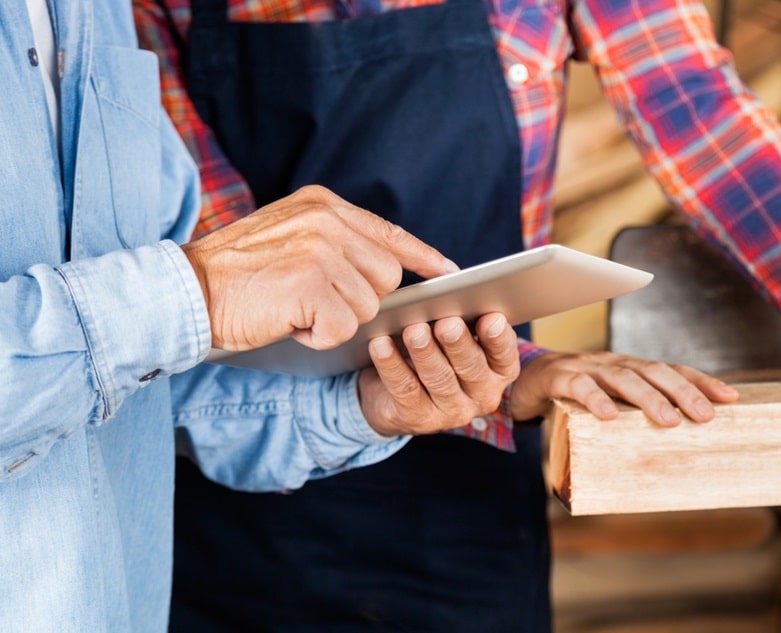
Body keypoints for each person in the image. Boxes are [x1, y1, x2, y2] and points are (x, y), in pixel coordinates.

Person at [133, 0, 781, 631]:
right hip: (223, 496)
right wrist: (515, 368)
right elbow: (222, 263)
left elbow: (704, 121)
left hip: (462, 517)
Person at [0, 1, 568, 630]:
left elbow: (151, 379)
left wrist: (360, 401)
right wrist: (196, 291)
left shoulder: (95, 14)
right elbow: (182, 304)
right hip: (227, 550)